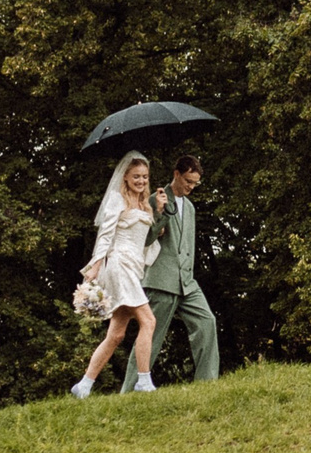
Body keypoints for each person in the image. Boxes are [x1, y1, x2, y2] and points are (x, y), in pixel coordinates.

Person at [122, 154, 220, 390]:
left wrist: (188, 275)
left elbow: (188, 247)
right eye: (188, 181)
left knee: (207, 322)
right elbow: (144, 239)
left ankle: (207, 385)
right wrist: (159, 212)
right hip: (161, 280)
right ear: (177, 174)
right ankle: (129, 391)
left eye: (195, 183)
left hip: (187, 281)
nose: (191, 187)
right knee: (151, 337)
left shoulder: (192, 208)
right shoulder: (155, 198)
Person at [71, 151, 160, 397]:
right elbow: (106, 235)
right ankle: (143, 381)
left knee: (117, 334)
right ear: (126, 178)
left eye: (144, 177)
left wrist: (159, 214)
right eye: (136, 177)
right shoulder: (117, 200)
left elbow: (147, 242)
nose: (141, 181)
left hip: (134, 266)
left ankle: (84, 386)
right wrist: (96, 265)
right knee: (149, 321)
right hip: (119, 265)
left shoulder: (145, 204)